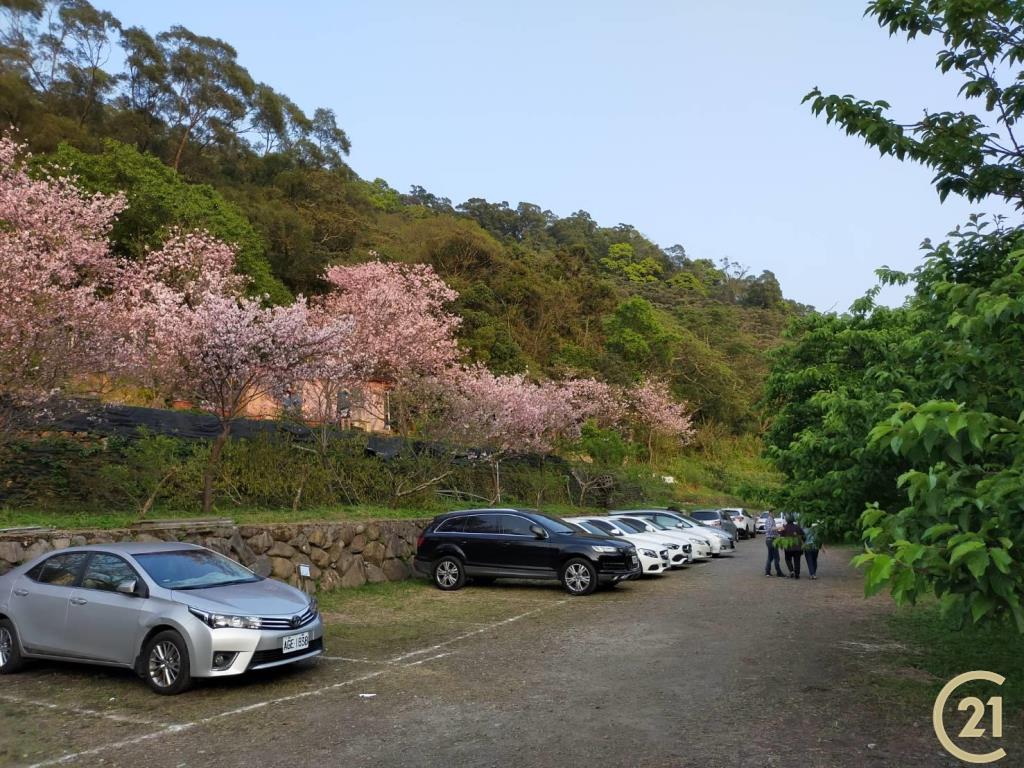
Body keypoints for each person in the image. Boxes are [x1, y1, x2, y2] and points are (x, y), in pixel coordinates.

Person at [781, 514, 805, 579]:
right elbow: (803, 535)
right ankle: (797, 574)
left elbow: (782, 536)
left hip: (788, 547)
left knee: (788, 559)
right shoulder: (797, 527)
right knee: (797, 561)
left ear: (786, 520)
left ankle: (791, 571)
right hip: (797, 548)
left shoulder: (785, 527)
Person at [763, 511, 784, 577]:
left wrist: (778, 533)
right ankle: (779, 572)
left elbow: (772, 530)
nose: (775, 514)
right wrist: (779, 528)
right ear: (770, 513)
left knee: (770, 556)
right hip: (771, 540)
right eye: (774, 513)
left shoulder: (772, 520)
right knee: (776, 557)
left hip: (770, 539)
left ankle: (767, 572)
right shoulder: (770, 520)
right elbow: (770, 529)